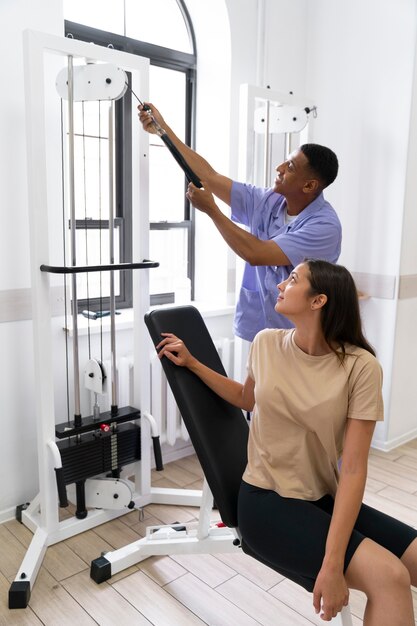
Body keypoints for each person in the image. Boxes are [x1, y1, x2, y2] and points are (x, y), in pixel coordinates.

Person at [155, 259, 417, 625]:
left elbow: (354, 469)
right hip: (266, 502)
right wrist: (194, 364)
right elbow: (248, 398)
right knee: (390, 577)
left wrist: (333, 559)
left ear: (318, 301)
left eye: (292, 279)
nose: (280, 285)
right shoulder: (266, 343)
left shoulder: (361, 367)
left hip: (320, 497)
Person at [138, 104, 342, 345]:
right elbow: (209, 177)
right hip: (258, 328)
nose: (279, 168)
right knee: (252, 385)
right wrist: (163, 130)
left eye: (290, 167)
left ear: (309, 186)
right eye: (285, 162)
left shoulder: (324, 227)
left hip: (298, 337)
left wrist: (212, 210)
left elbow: (256, 253)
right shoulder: (268, 201)